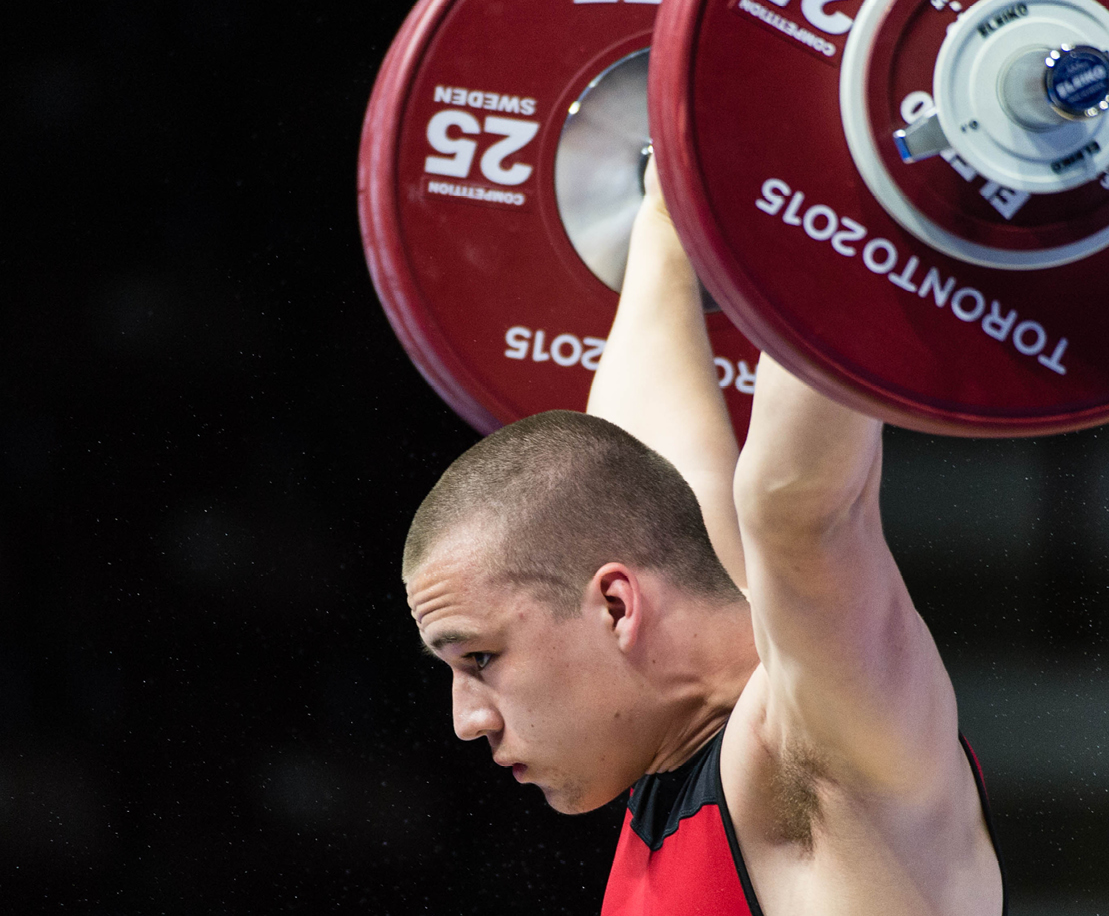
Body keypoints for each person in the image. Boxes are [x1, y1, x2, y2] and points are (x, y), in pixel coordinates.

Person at [401, 161, 1005, 914]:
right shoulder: (667, 749)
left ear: (617, 607)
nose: (469, 720)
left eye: (480, 658)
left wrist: (851, 160)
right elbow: (642, 453)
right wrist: (668, 187)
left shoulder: (821, 759)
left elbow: (802, 512)